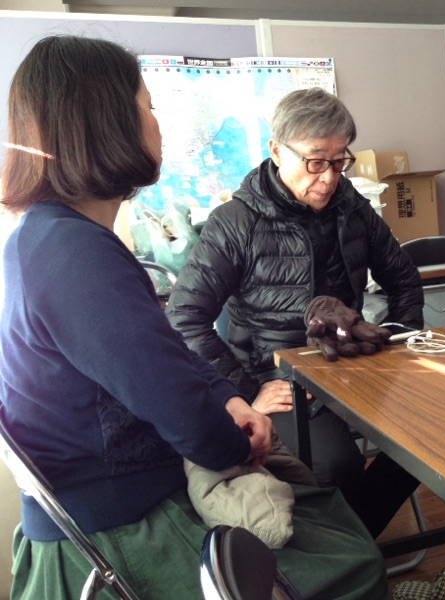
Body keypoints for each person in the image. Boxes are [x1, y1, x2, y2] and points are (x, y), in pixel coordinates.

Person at [0, 35, 388, 599]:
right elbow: (181, 403)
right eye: (149, 106)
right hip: (122, 527)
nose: (158, 125)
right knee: (355, 562)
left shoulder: (48, 238)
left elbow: (163, 358)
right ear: (106, 124)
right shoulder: (73, 253)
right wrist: (237, 436)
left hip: (116, 502)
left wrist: (227, 399)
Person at [166, 87, 424, 538]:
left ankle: (351, 545)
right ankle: (349, 552)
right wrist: (246, 393)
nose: (328, 178)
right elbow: (185, 317)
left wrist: (395, 347)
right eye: (315, 161)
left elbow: (403, 279)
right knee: (336, 465)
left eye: (339, 162)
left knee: (430, 437)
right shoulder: (236, 222)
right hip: (278, 377)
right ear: (276, 151)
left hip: (348, 363)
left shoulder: (352, 208)